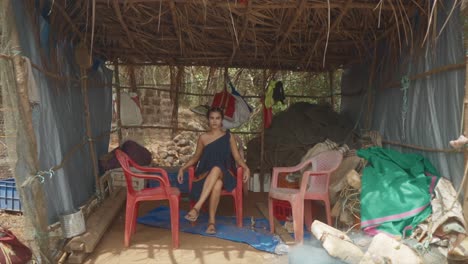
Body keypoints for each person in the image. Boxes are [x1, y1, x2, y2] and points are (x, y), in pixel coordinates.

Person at [177, 107, 250, 234]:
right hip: (206, 174)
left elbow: (237, 157)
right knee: (217, 184)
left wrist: (246, 168)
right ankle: (211, 223)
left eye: (217, 118)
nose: (214, 121)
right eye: (212, 118)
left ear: (221, 120)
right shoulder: (203, 138)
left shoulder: (229, 136)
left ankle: (197, 207)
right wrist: (182, 168)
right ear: (208, 120)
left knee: (217, 167)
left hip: (226, 172)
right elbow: (196, 157)